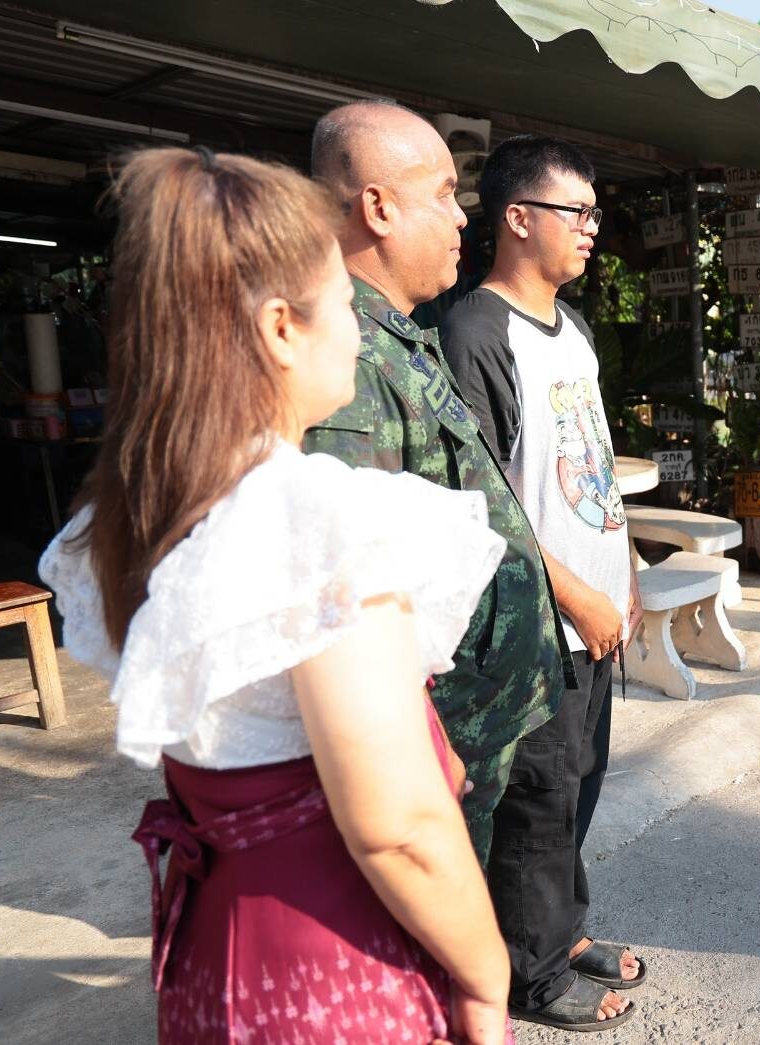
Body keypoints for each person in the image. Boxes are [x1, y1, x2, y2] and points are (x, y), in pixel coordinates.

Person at [38, 147, 514, 1043]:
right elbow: (398, 825)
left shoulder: (144, 507)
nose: (358, 331)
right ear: (281, 329)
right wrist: (487, 975)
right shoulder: (314, 519)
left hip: (212, 948)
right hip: (331, 961)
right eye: (343, 303)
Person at [302, 101, 568, 866]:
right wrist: (420, 747)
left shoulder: (399, 335)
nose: (460, 217)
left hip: (485, 714)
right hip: (441, 748)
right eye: (444, 194)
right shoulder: (348, 363)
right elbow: (344, 603)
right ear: (378, 208)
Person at [441, 134, 645, 1034]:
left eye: (595, 212)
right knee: (534, 799)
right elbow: (480, 504)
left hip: (594, 611)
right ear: (518, 218)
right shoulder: (474, 332)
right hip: (536, 625)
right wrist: (575, 595)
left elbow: (589, 465)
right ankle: (530, 973)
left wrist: (623, 572)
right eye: (577, 211)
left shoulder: (572, 326)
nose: (592, 228)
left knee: (577, 784)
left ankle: (561, 932)